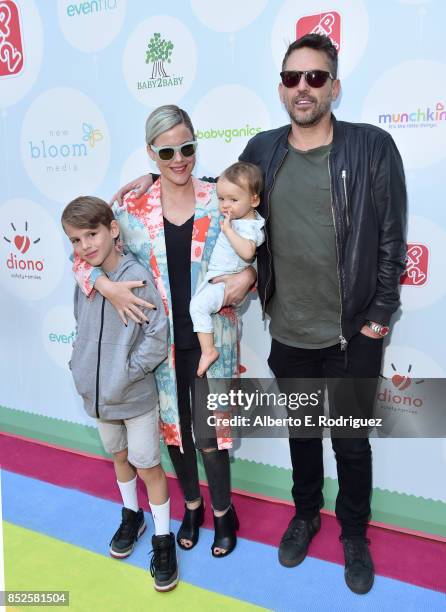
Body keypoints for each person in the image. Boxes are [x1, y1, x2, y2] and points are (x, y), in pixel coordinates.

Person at [114, 35, 407, 595]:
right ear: (280, 87)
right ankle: (305, 515)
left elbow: (392, 241)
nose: (304, 87)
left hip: (352, 336)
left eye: (316, 78)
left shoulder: (371, 147)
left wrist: (376, 320)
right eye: (293, 78)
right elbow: (221, 196)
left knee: (349, 441)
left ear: (335, 87)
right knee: (302, 434)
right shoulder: (263, 150)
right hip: (290, 329)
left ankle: (353, 535)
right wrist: (151, 180)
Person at [72, 106, 255, 558]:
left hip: (213, 340)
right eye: (167, 150)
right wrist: (106, 285)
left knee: (210, 435)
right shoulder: (130, 209)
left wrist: (249, 276)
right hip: (157, 346)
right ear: (152, 152)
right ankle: (191, 507)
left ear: (196, 146)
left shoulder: (221, 198)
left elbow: (257, 250)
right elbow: (83, 252)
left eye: (187, 148)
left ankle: (224, 513)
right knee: (175, 432)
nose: (179, 159)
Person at [61, 196, 178, 592]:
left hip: (132, 396)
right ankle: (133, 515)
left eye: (91, 234)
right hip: (97, 397)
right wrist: (81, 366)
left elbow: (156, 338)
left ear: (113, 230)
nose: (84, 246)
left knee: (148, 465)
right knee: (119, 455)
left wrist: (128, 373)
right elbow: (82, 323)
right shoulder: (86, 276)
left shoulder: (135, 275)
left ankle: (163, 538)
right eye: (76, 240)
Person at [190, 161, 264, 377]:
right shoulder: (238, 219)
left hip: (227, 282)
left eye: (233, 199)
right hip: (217, 278)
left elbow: (248, 252)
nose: (225, 205)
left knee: (197, 307)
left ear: (254, 200)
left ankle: (208, 351)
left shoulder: (250, 226)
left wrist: (228, 231)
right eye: (221, 198)